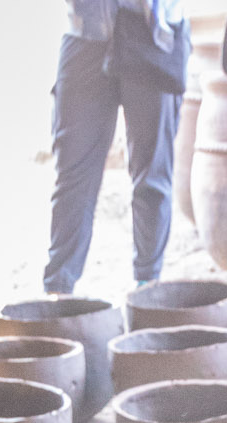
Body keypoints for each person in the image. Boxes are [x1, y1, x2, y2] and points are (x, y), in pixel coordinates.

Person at [44, 1, 190, 295]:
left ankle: (148, 290)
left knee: (153, 176)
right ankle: (58, 297)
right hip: (86, 34)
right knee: (73, 173)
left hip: (154, 35)